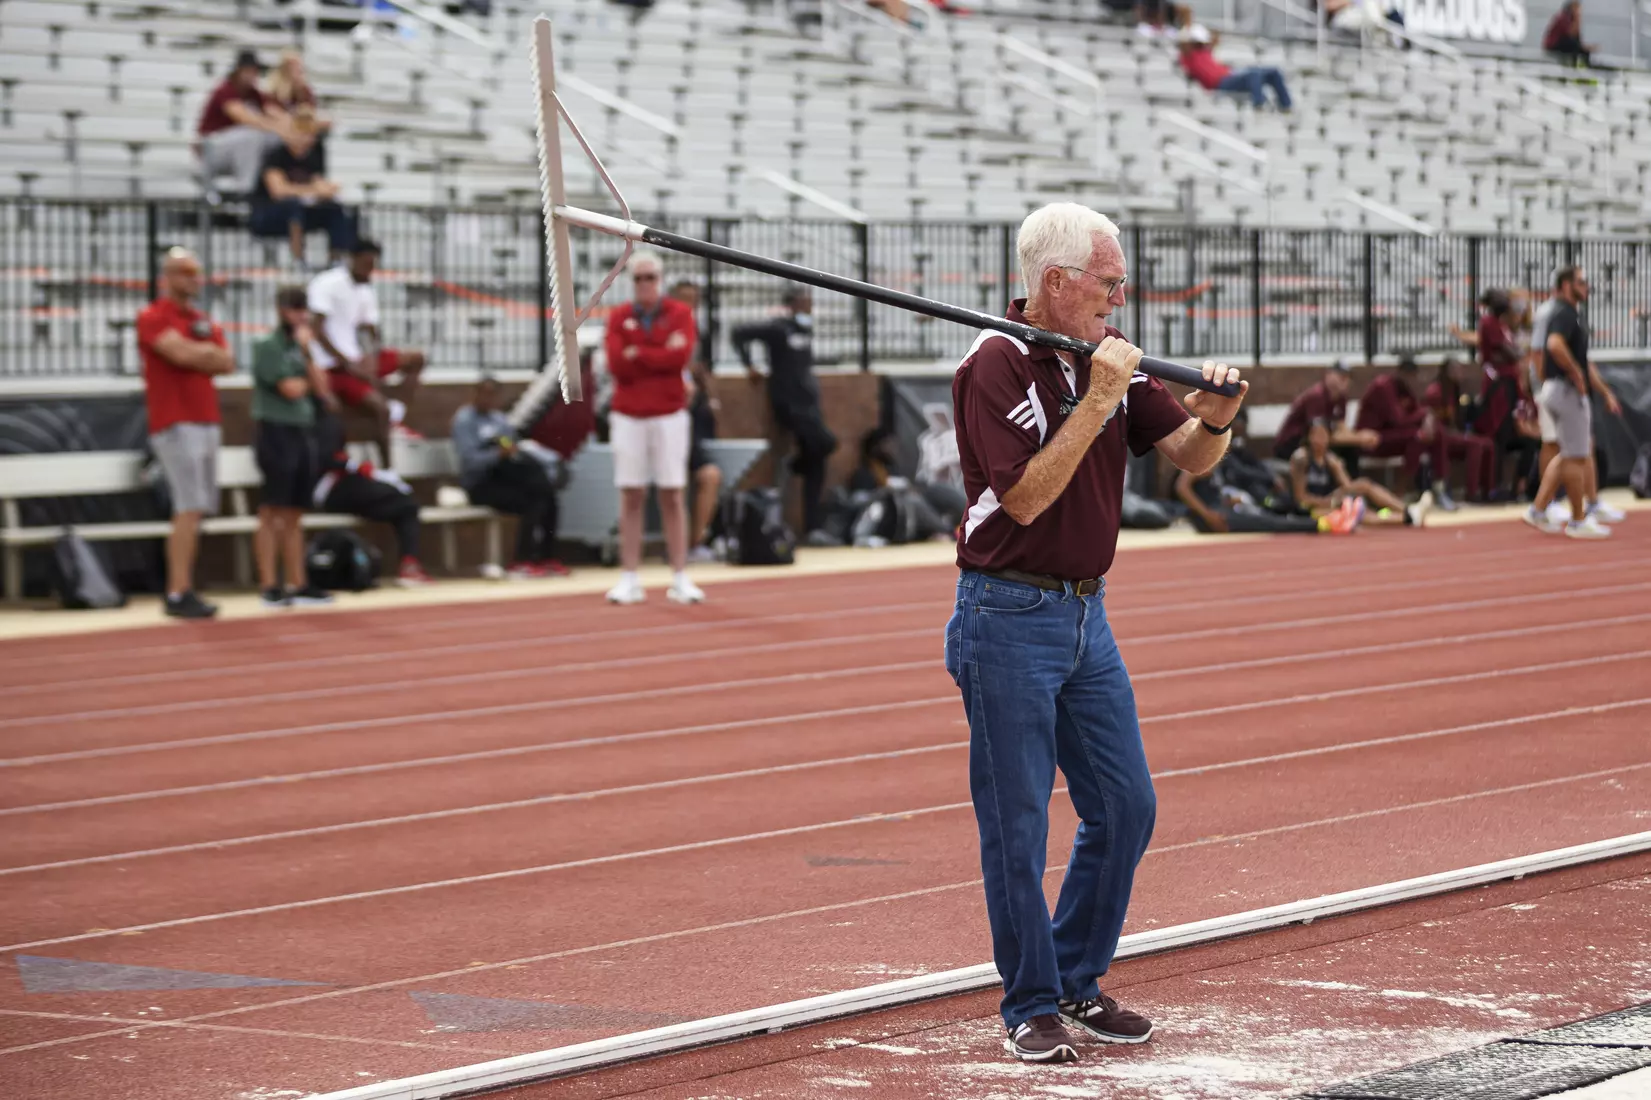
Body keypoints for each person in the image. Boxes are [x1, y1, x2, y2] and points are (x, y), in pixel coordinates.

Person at [945, 202, 1247, 1064]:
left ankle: (1074, 976)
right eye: (1108, 283)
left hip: (1085, 613)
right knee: (1016, 826)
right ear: (1056, 282)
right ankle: (1028, 1002)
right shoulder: (993, 364)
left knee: (1123, 806)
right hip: (1003, 615)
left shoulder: (1102, 356)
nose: (1120, 296)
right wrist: (1102, 396)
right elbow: (1028, 497)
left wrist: (1215, 414)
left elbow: (1188, 453)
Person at [136, 247, 235, 619]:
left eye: (196, 272)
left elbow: (226, 361)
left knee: (198, 508)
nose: (193, 279)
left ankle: (185, 585)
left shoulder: (200, 319)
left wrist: (202, 352)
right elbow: (179, 354)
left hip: (205, 418)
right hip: (176, 421)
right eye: (185, 272)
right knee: (188, 507)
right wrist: (204, 353)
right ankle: (178, 590)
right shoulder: (154, 316)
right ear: (168, 276)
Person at [603, 250, 702, 605]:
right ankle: (629, 575)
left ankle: (680, 574)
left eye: (651, 278)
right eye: (639, 278)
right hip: (629, 414)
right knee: (631, 494)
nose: (645, 284)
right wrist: (658, 353)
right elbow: (617, 363)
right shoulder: (618, 317)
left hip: (669, 413)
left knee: (673, 493)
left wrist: (639, 353)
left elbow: (681, 355)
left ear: (660, 280)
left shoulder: (680, 313)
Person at [732, 286, 840, 545]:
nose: (808, 306)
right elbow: (738, 333)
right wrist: (749, 365)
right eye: (804, 302)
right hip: (788, 403)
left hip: (808, 404)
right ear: (792, 304)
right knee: (826, 443)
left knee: (818, 460)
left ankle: (813, 526)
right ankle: (796, 464)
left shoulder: (804, 329)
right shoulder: (778, 328)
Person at [249, 286, 336, 608]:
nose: (299, 315)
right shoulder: (267, 346)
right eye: (293, 308)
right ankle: (270, 584)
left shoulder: (303, 348)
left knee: (296, 512)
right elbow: (291, 389)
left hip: (302, 431)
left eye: (303, 309)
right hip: (275, 431)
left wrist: (309, 355)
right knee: (272, 509)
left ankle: (299, 583)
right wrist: (308, 381)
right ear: (280, 309)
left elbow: (323, 388)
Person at [1524, 266, 1625, 538]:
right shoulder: (1564, 314)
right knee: (1576, 455)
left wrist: (1600, 389)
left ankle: (1539, 508)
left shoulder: (1566, 314)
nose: (1587, 287)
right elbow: (1553, 346)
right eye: (1581, 282)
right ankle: (1578, 519)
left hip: (1557, 389)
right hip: (1565, 391)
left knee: (1570, 452)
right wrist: (1574, 373)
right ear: (1566, 285)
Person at [307, 240, 426, 467]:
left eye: (373, 265)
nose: (370, 270)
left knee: (416, 359)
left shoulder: (364, 289)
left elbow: (371, 331)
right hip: (334, 366)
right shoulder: (327, 283)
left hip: (356, 360)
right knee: (379, 409)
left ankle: (397, 412)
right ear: (352, 259)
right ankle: (388, 468)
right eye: (366, 264)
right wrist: (348, 363)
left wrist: (371, 358)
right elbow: (317, 330)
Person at [452, 377, 570, 579]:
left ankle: (546, 557)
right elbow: (470, 461)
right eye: (483, 394)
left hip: (506, 478)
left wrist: (510, 451)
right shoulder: (465, 420)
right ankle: (521, 560)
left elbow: (512, 445)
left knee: (547, 497)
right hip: (481, 484)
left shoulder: (499, 420)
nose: (487, 400)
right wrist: (497, 455)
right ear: (474, 394)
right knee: (533, 498)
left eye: (492, 395)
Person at [311, 408, 433, 587]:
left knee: (406, 506)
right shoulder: (317, 420)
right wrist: (351, 465)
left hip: (348, 486)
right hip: (327, 488)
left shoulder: (331, 420)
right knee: (392, 495)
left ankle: (409, 564)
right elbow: (322, 459)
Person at [249, 104, 355, 265]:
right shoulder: (276, 155)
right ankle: (297, 260)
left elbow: (319, 183)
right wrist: (311, 190)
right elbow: (279, 191)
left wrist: (325, 190)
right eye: (302, 133)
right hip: (269, 214)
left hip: (303, 212)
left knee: (334, 209)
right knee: (293, 206)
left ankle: (337, 260)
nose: (306, 140)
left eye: (310, 135)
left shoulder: (314, 155)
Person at [1290, 418, 1431, 527]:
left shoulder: (1330, 459)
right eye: (1316, 435)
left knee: (1362, 487)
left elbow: (1348, 487)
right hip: (1310, 509)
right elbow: (1301, 498)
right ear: (1308, 437)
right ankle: (1408, 517)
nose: (1320, 440)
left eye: (1323, 435)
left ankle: (1407, 511)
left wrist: (1340, 471)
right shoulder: (1301, 459)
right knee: (1357, 514)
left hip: (1330, 501)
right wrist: (1331, 502)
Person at [669, 279, 723, 562]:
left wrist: (712, 399)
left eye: (694, 300)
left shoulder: (699, 332)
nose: (690, 306)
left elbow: (700, 369)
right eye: (684, 299)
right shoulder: (663, 330)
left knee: (709, 475)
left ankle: (696, 541)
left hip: (693, 416)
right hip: (667, 415)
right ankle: (679, 545)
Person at [1354, 356, 1450, 502]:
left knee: (1437, 433)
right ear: (1400, 373)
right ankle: (1398, 493)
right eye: (1409, 377)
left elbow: (1418, 411)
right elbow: (1399, 420)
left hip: (1394, 437)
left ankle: (1439, 487)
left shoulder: (1406, 389)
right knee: (1416, 437)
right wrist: (1424, 414)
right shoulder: (1383, 386)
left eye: (1414, 377)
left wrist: (1428, 418)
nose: (1412, 381)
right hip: (1372, 439)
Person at [196, 48, 290, 195]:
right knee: (252, 135)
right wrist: (275, 127)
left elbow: (277, 114)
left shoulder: (254, 94)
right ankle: (245, 191)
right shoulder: (225, 90)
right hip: (212, 149)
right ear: (240, 71)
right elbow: (245, 118)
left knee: (275, 139)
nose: (254, 76)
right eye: (251, 71)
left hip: (236, 149)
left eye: (256, 72)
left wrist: (290, 128)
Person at [1272, 360, 1378, 467]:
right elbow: (1318, 436)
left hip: (1316, 442)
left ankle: (1349, 483)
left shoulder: (1341, 398)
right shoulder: (1317, 396)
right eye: (1341, 376)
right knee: (1333, 453)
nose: (1345, 380)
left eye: (1347, 377)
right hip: (1294, 443)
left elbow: (1341, 428)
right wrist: (1359, 439)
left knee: (1350, 450)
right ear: (1328, 375)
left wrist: (1361, 437)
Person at [1423, 355, 1495, 503]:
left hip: (1454, 435)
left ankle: (1488, 491)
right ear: (1447, 371)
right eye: (1457, 370)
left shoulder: (1454, 390)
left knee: (1488, 444)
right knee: (1475, 444)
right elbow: (1433, 423)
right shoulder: (1435, 391)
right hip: (1440, 438)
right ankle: (1471, 492)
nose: (1460, 373)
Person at [1176, 25, 1292, 111]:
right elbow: (1184, 42)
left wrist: (1209, 38)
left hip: (1230, 76)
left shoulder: (1204, 51)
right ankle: (1259, 104)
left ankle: (1286, 106)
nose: (1200, 44)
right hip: (1220, 83)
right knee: (1254, 74)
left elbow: (1214, 39)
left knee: (1273, 72)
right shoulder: (1188, 56)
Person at [1543, 0, 1593, 66]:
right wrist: (1577, 19)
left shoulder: (1573, 19)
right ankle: (1572, 67)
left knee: (1584, 51)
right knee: (1573, 45)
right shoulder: (1563, 17)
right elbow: (1569, 34)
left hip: (1565, 42)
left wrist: (1583, 47)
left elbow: (1577, 37)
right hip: (1554, 44)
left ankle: (1586, 67)